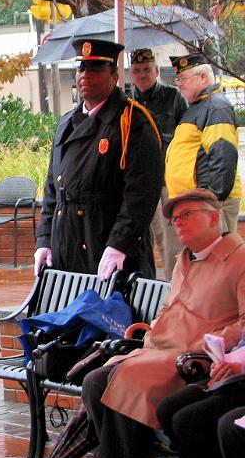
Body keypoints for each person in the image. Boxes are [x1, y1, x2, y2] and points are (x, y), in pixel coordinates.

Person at [81, 188, 245, 458]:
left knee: (126, 379)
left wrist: (214, 342)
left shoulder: (239, 258)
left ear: (213, 218)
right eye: (174, 219)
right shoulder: (184, 258)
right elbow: (170, 307)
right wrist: (153, 327)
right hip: (158, 349)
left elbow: (244, 322)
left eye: (186, 215)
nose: (178, 223)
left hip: (193, 356)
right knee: (94, 382)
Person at [34, 38, 164, 279]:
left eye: (95, 68)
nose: (85, 75)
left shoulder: (132, 122)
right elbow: (53, 189)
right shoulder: (66, 123)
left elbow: (141, 194)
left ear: (113, 77)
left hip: (108, 248)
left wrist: (119, 244)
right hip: (67, 246)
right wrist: (44, 239)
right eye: (81, 68)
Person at [165, 52, 241, 236]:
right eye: (177, 78)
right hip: (197, 203)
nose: (178, 83)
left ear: (203, 77)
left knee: (218, 259)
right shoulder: (199, 107)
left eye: (183, 77)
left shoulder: (215, 107)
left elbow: (223, 155)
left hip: (210, 204)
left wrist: (213, 200)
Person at [126, 48, 187, 277]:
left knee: (170, 242)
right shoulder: (126, 102)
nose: (142, 75)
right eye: (137, 70)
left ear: (157, 70)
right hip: (136, 183)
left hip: (165, 181)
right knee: (137, 240)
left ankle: (176, 289)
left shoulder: (174, 98)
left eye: (147, 69)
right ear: (131, 73)